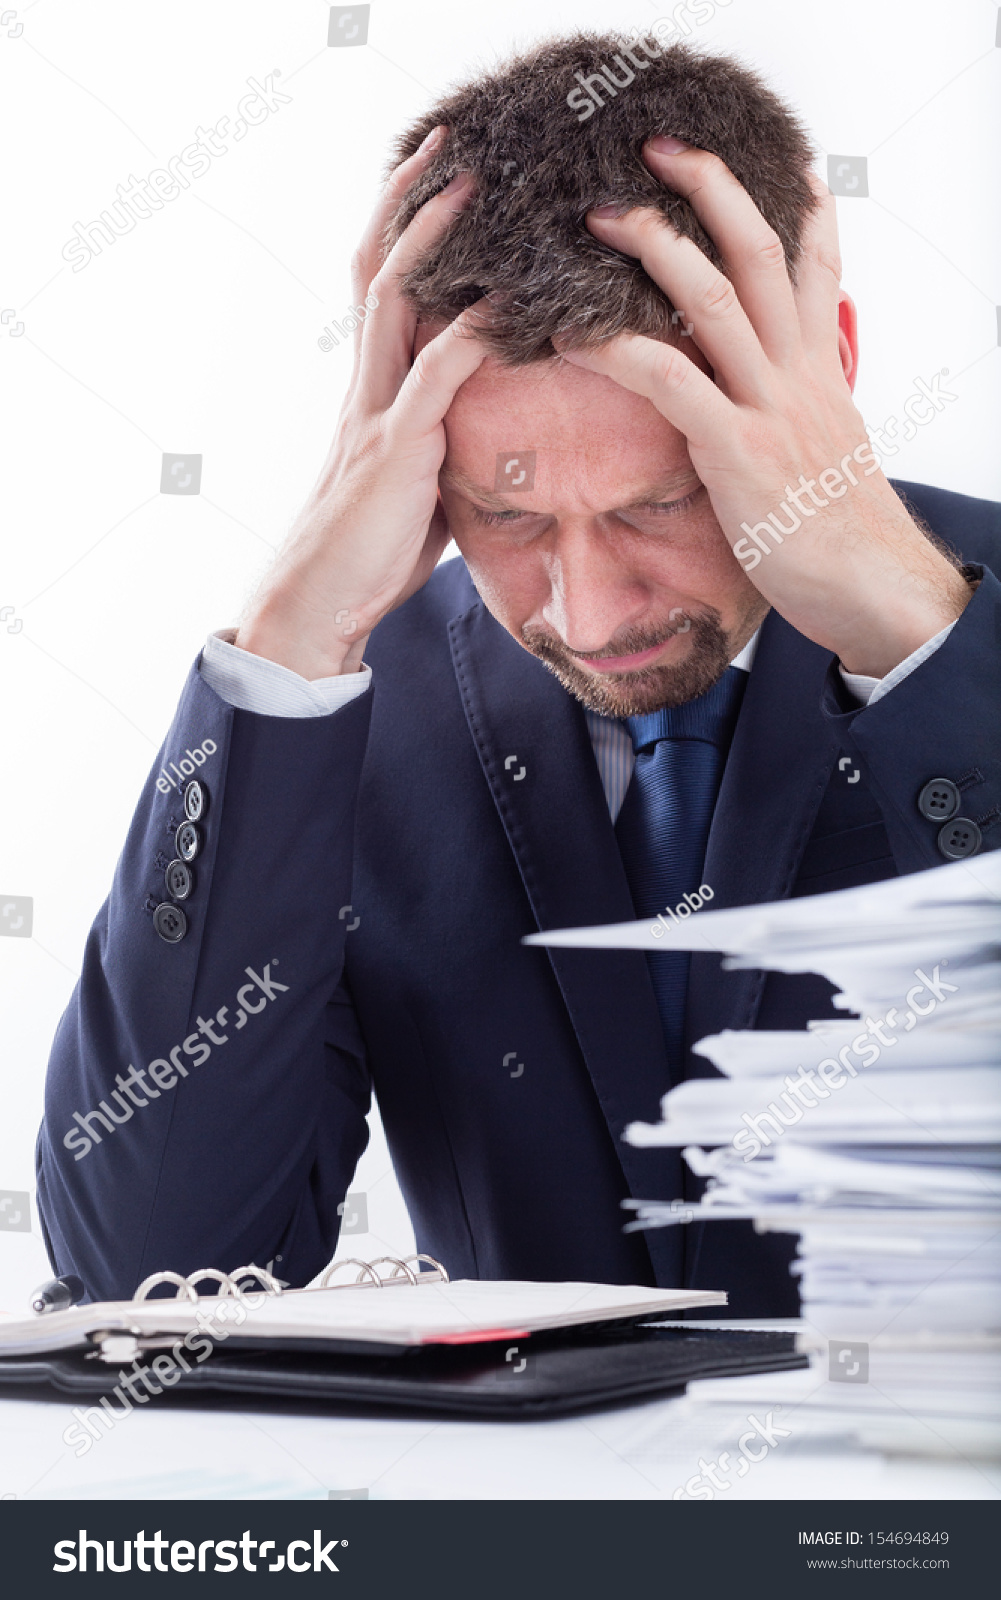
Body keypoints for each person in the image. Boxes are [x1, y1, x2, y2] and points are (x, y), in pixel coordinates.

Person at [37, 36, 999, 1314]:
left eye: (661, 503)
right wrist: (281, 654)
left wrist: (917, 638)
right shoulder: (340, 713)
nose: (587, 615)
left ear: (823, 367)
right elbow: (144, 1265)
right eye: (508, 518)